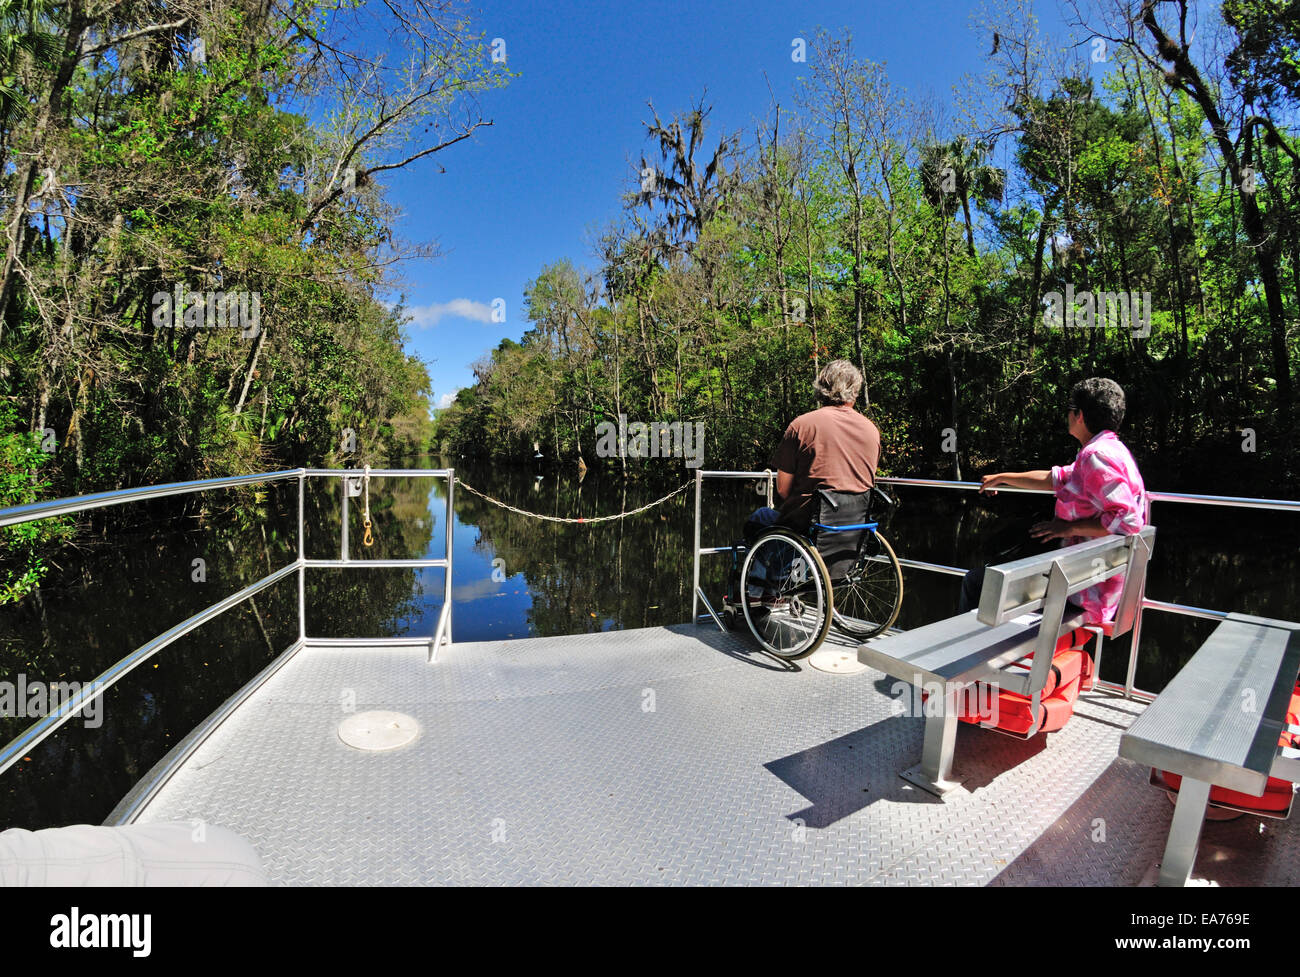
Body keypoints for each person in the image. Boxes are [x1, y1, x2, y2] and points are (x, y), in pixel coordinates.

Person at [959, 377, 1148, 624]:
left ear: (1079, 415)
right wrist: (1002, 478)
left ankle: (967, 656)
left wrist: (1068, 528)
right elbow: (1055, 478)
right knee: (999, 567)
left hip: (1082, 591)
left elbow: (1127, 521)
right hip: (1085, 577)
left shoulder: (1097, 456)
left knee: (977, 582)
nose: (1067, 415)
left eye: (1070, 410)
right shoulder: (1107, 451)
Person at [745, 359, 881, 541]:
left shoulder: (802, 425)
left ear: (821, 388)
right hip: (855, 527)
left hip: (809, 526)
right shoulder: (871, 430)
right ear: (855, 391)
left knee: (760, 516)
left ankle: (760, 569)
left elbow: (783, 489)